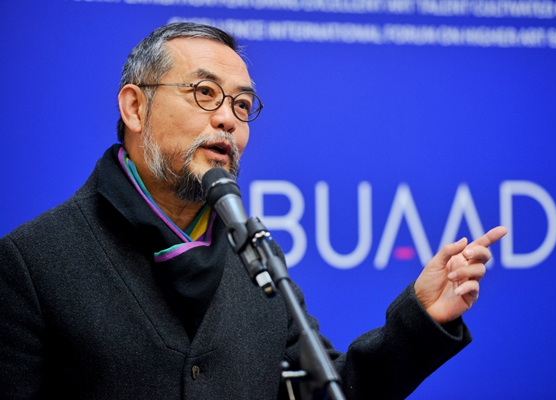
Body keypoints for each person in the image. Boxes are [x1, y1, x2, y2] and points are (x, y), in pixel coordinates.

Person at [0, 23, 507, 400]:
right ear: (135, 107)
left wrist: (420, 319)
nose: (227, 119)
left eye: (242, 105)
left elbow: (326, 390)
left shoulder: (256, 260)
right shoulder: (31, 263)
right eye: (204, 93)